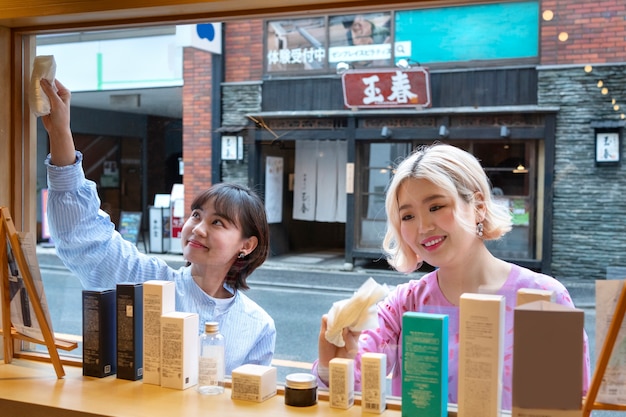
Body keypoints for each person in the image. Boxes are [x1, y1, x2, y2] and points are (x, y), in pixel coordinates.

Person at [315, 143, 590, 410]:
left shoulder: (544, 298)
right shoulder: (404, 304)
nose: (423, 226)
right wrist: (333, 368)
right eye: (408, 216)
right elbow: (354, 386)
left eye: (435, 207)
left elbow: (565, 405)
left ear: (479, 206)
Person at [39, 78, 276, 374]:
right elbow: (81, 235)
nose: (198, 228)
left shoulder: (257, 325)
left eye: (218, 222)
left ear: (247, 244)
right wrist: (61, 131)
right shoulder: (146, 282)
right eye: (196, 215)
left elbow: (248, 400)